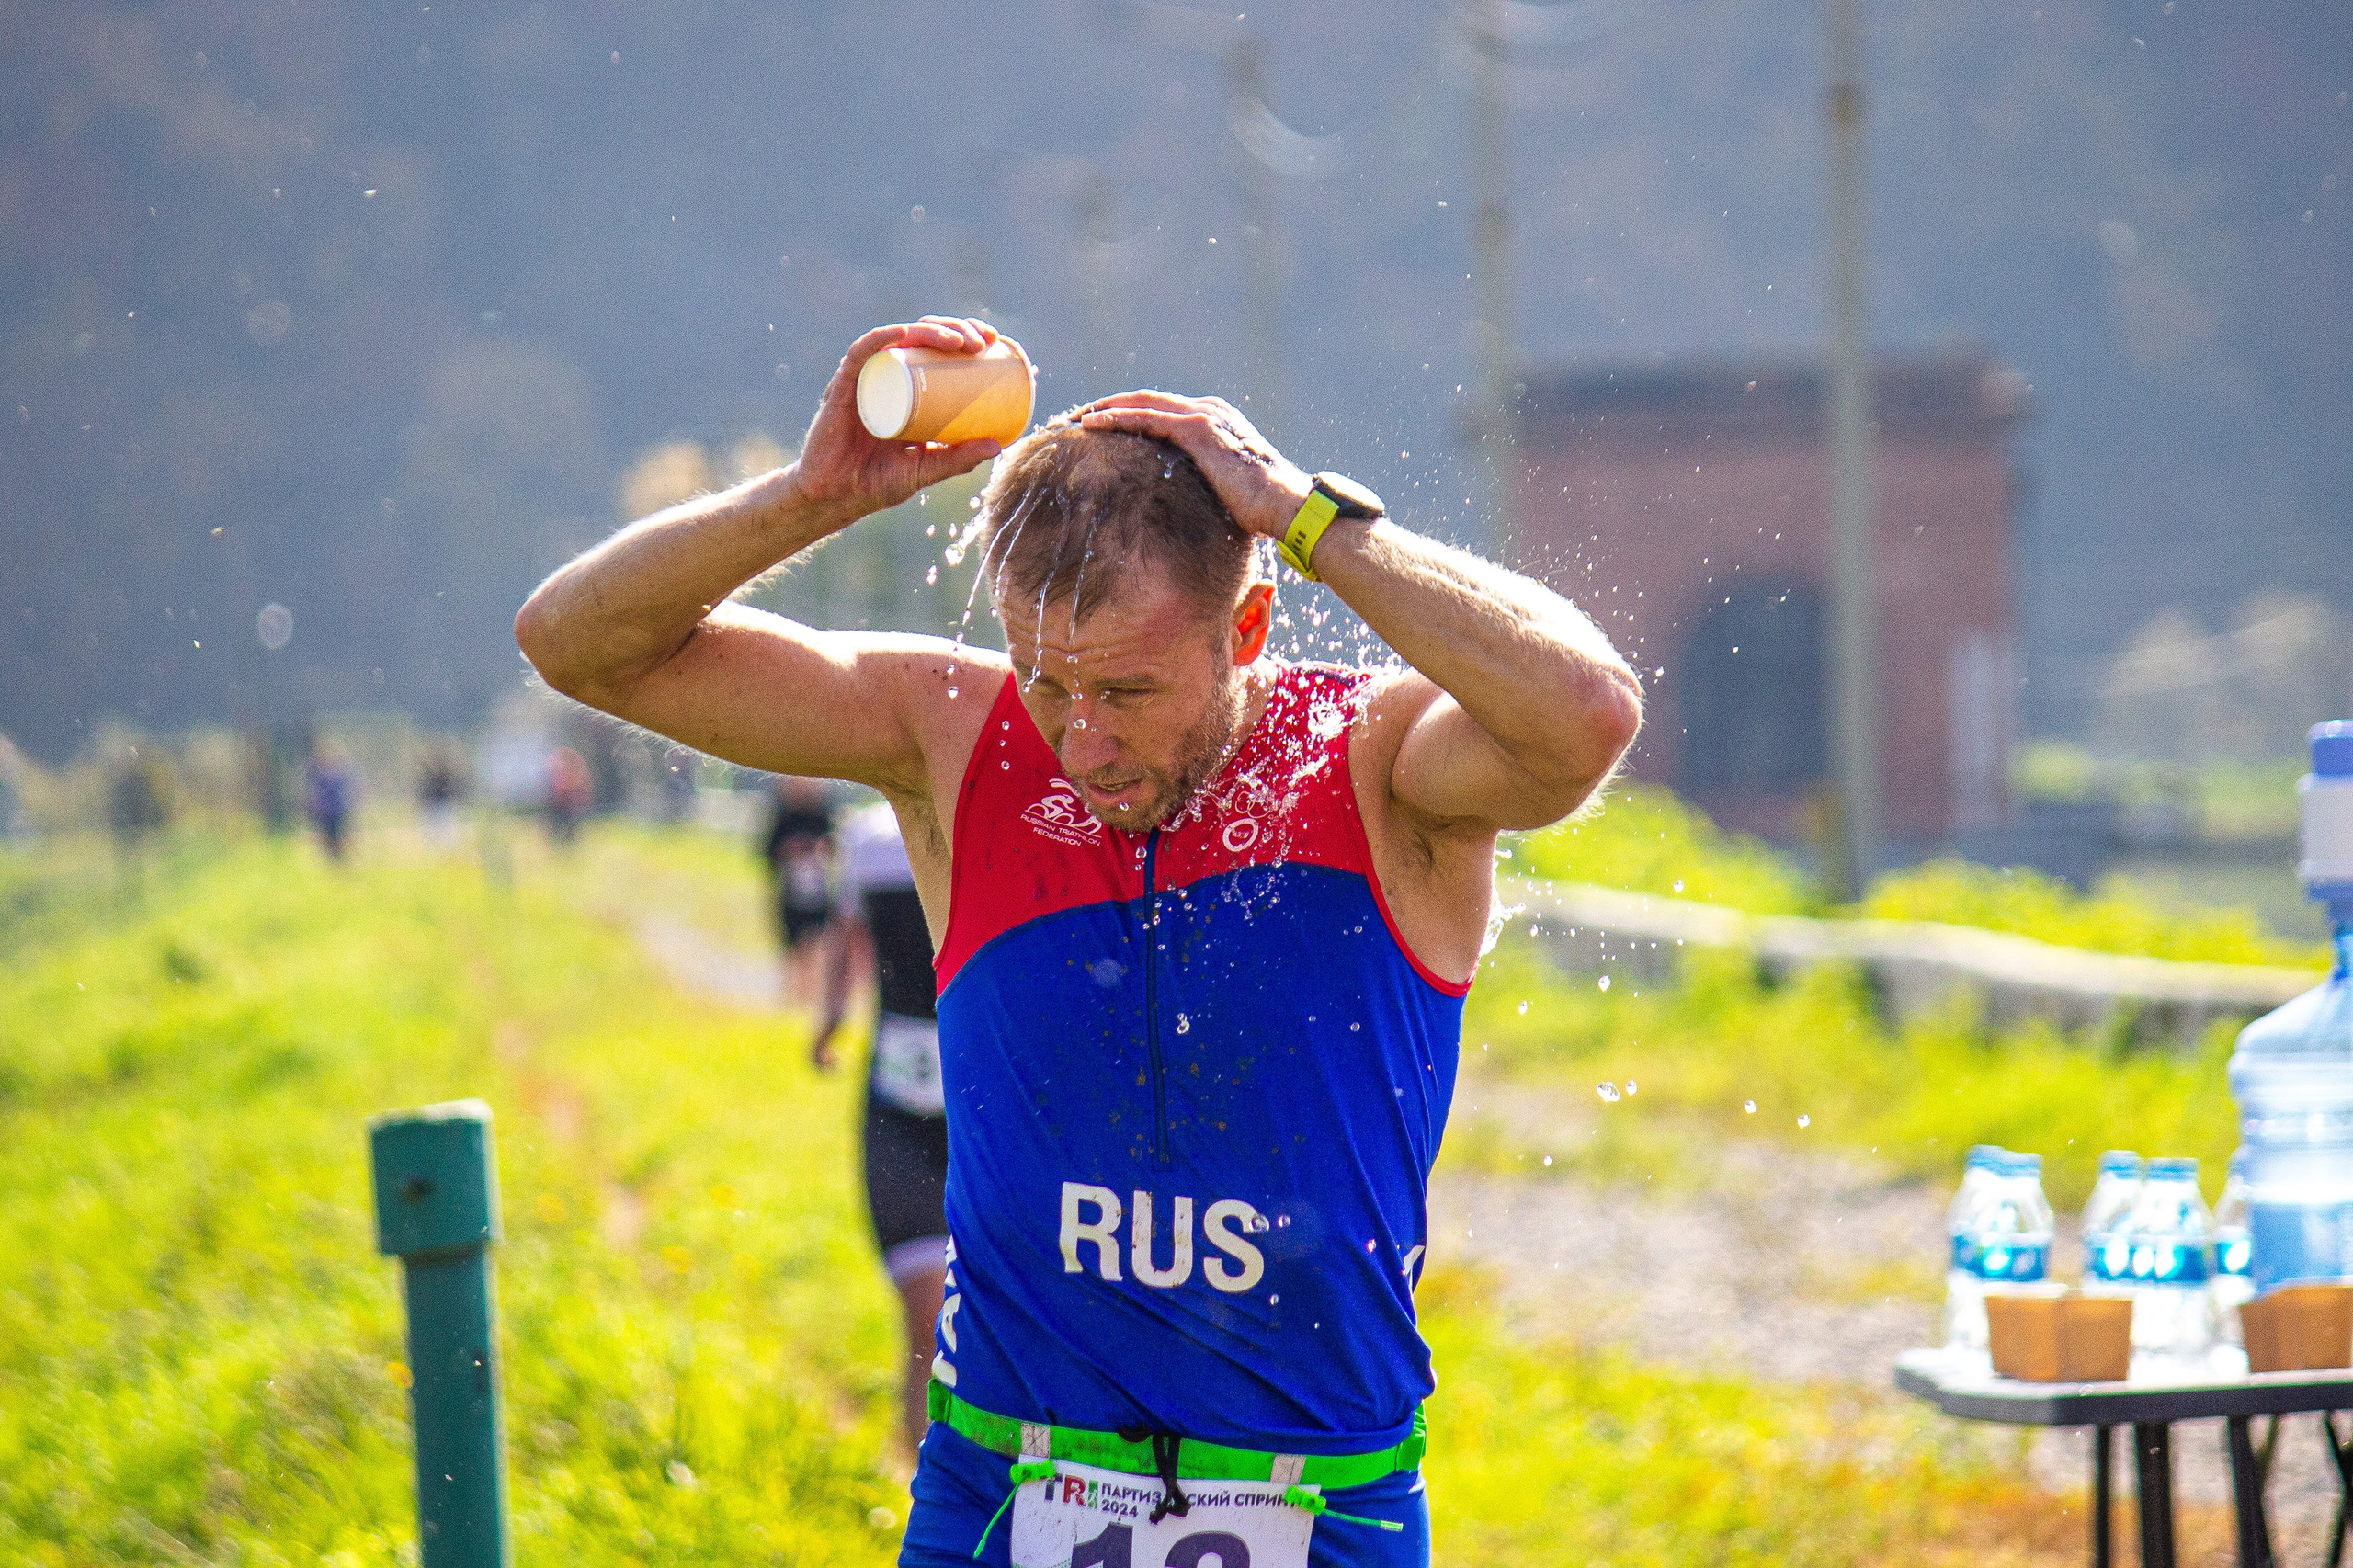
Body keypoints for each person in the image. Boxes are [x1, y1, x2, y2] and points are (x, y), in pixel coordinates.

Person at [516, 318, 1641, 1566]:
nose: (1081, 741)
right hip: (1000, 1493)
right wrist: (811, 496)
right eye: (1050, 684)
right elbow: (577, 643)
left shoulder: (1374, 763)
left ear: (1251, 625)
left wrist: (1309, 518)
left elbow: (1583, 714)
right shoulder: (951, 735)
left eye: (1129, 693)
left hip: (1322, 1505)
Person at [814, 800, 949, 1460]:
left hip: (989, 1115)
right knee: (927, 1315)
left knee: (988, 1327)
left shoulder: (1004, 814)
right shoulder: (865, 835)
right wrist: (831, 1017)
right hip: (898, 1104)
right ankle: (922, 1506)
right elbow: (848, 938)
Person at [761, 775, 837, 1005]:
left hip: (819, 893)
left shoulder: (822, 817)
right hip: (790, 893)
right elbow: (768, 855)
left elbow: (835, 849)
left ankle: (814, 995)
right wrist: (790, 851)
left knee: (819, 943)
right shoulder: (782, 819)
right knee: (792, 946)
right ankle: (792, 995)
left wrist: (819, 851)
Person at [301, 740, 355, 863]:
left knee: (338, 835)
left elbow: (345, 791)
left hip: (337, 811)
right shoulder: (318, 775)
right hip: (324, 811)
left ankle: (339, 858)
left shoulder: (339, 774)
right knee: (327, 835)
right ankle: (332, 859)